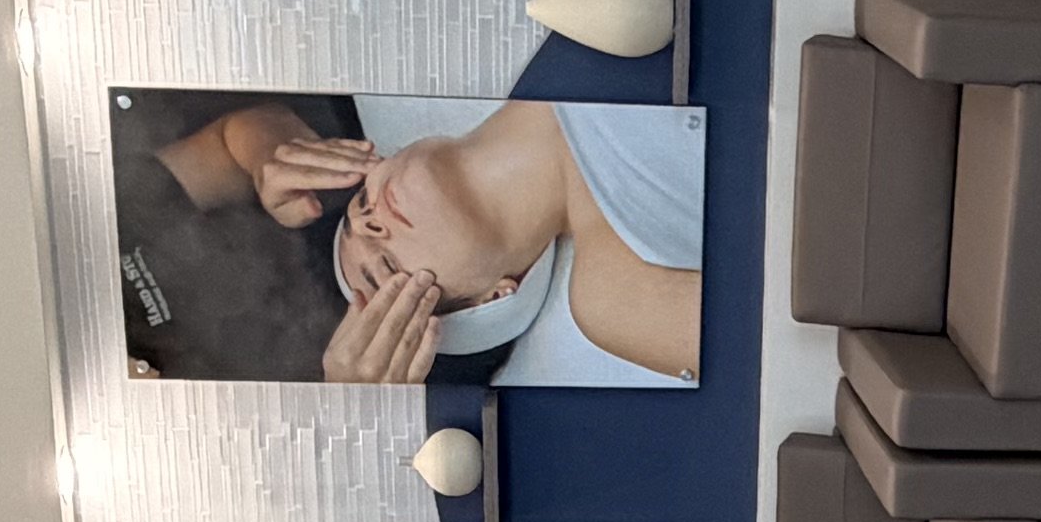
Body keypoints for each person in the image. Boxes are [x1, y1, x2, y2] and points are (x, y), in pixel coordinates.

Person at [130, 93, 699, 388]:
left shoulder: (494, 24)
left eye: (356, 208)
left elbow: (236, 140)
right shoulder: (614, 299)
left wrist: (272, 160)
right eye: (384, 272)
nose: (372, 223)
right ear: (493, 296)